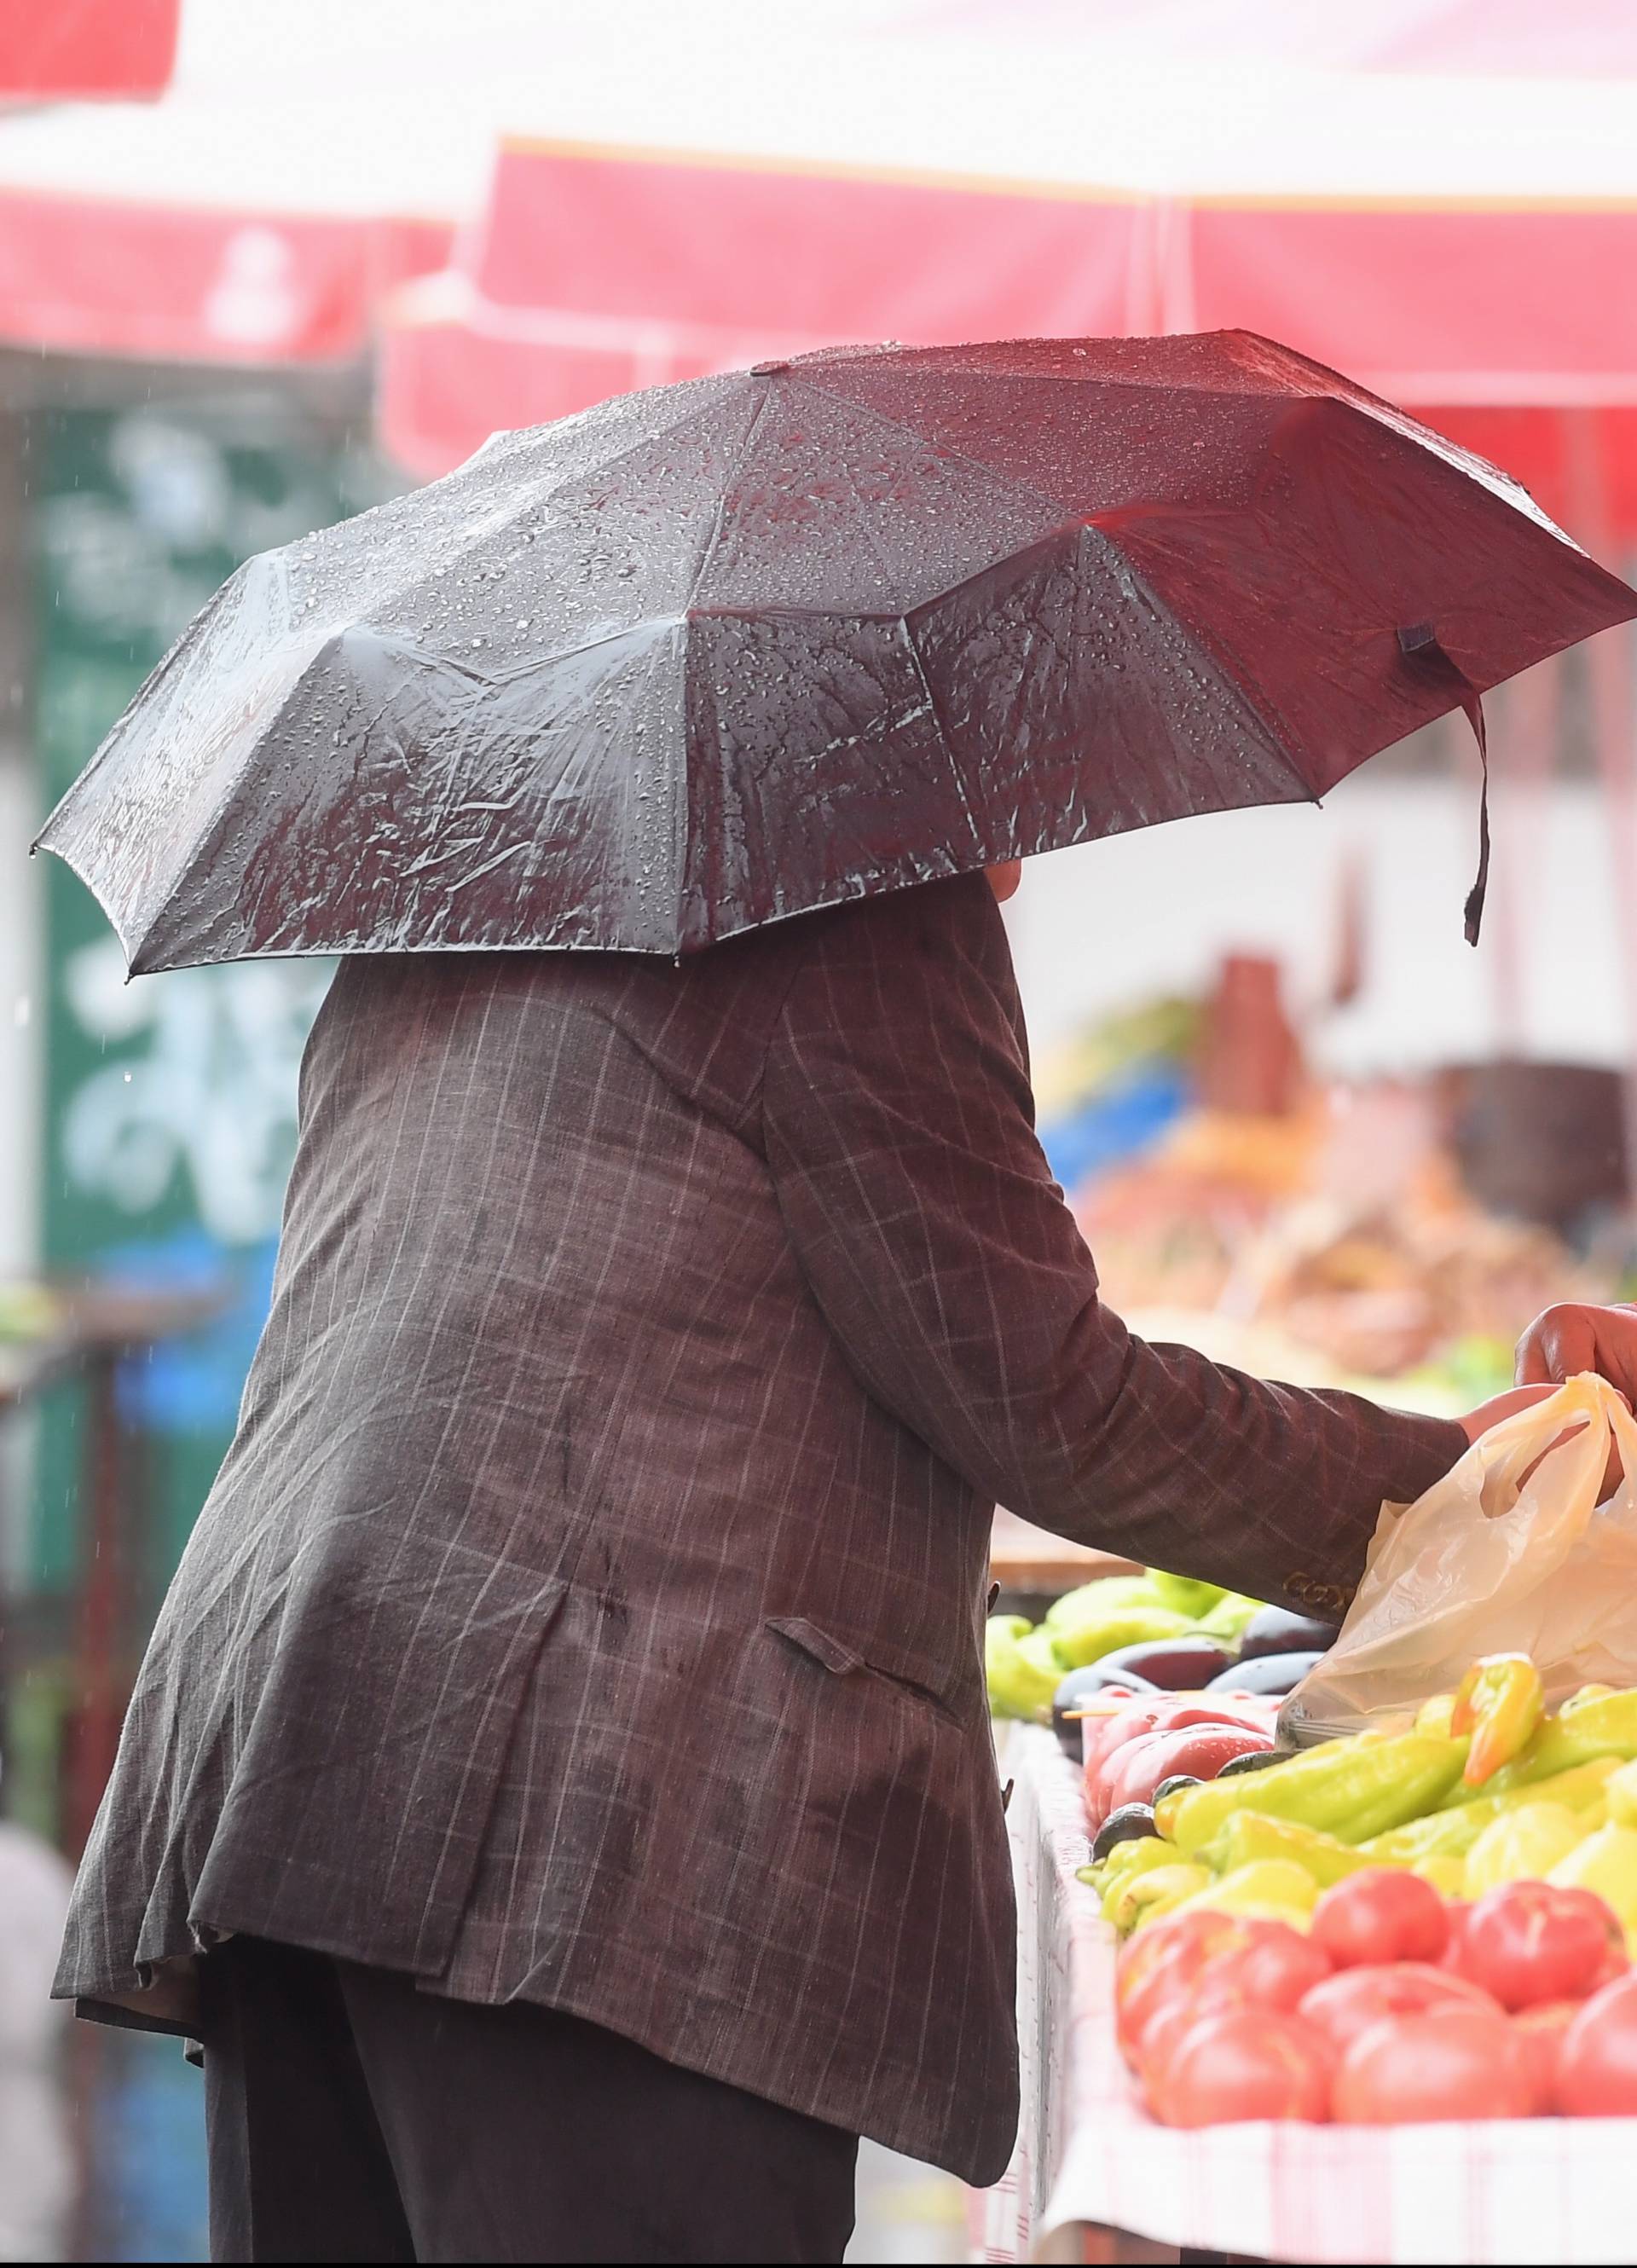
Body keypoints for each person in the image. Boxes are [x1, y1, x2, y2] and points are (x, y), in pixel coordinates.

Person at [55, 863, 1570, 2265]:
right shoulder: (862, 908)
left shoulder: (470, 865)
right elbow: (1046, 1396)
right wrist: (1474, 1485)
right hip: (601, 1831)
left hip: (292, 1744)